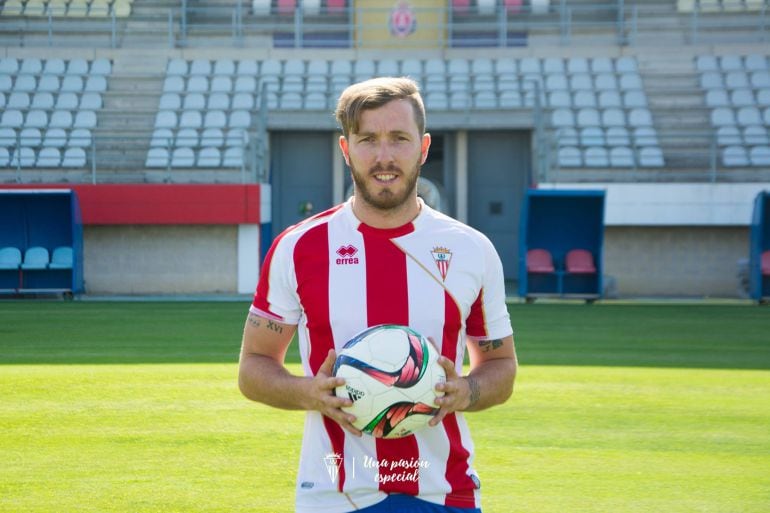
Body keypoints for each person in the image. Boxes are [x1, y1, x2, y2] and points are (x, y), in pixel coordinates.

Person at [238, 76, 517, 513]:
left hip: (444, 494)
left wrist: (468, 392)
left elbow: (500, 366)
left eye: (399, 139)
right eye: (368, 139)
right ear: (345, 149)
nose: (384, 157)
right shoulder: (298, 247)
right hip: (333, 496)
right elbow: (253, 367)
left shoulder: (470, 249)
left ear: (423, 148)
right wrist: (306, 392)